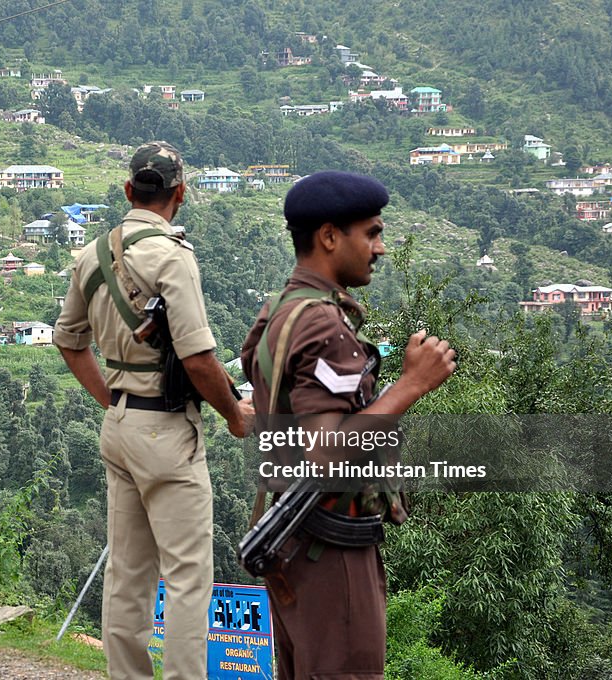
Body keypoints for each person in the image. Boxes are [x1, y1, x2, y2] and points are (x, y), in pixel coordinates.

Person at [240, 170, 456, 679]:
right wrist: (411, 385)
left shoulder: (279, 311)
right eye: (373, 233)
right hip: (329, 550)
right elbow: (326, 452)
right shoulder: (322, 325)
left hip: (292, 541)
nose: (380, 248)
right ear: (330, 237)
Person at [54, 141, 254, 680]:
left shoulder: (91, 255)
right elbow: (200, 359)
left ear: (128, 191)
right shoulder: (172, 256)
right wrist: (236, 415)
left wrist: (112, 401)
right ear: (180, 194)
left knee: (127, 572)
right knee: (189, 576)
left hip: (118, 424)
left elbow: (69, 342)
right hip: (167, 432)